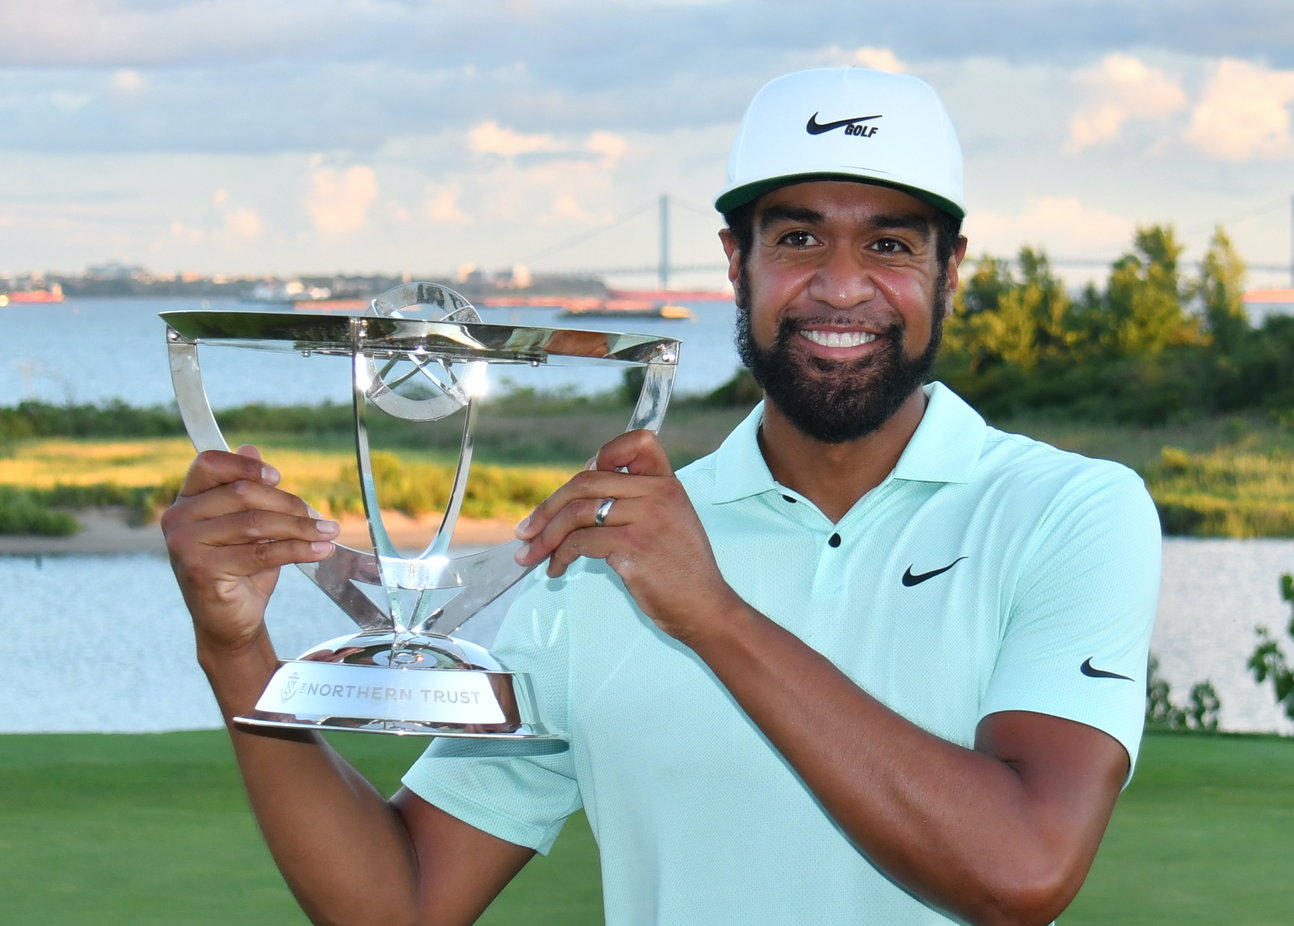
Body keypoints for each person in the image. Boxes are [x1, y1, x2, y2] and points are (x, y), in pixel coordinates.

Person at [164, 66, 1161, 926]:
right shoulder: (607, 555)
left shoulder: (1068, 509)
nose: (842, 286)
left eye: (891, 245)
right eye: (800, 240)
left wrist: (712, 611)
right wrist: (236, 648)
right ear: (738, 262)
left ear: (952, 270)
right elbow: (399, 898)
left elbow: (1024, 869)